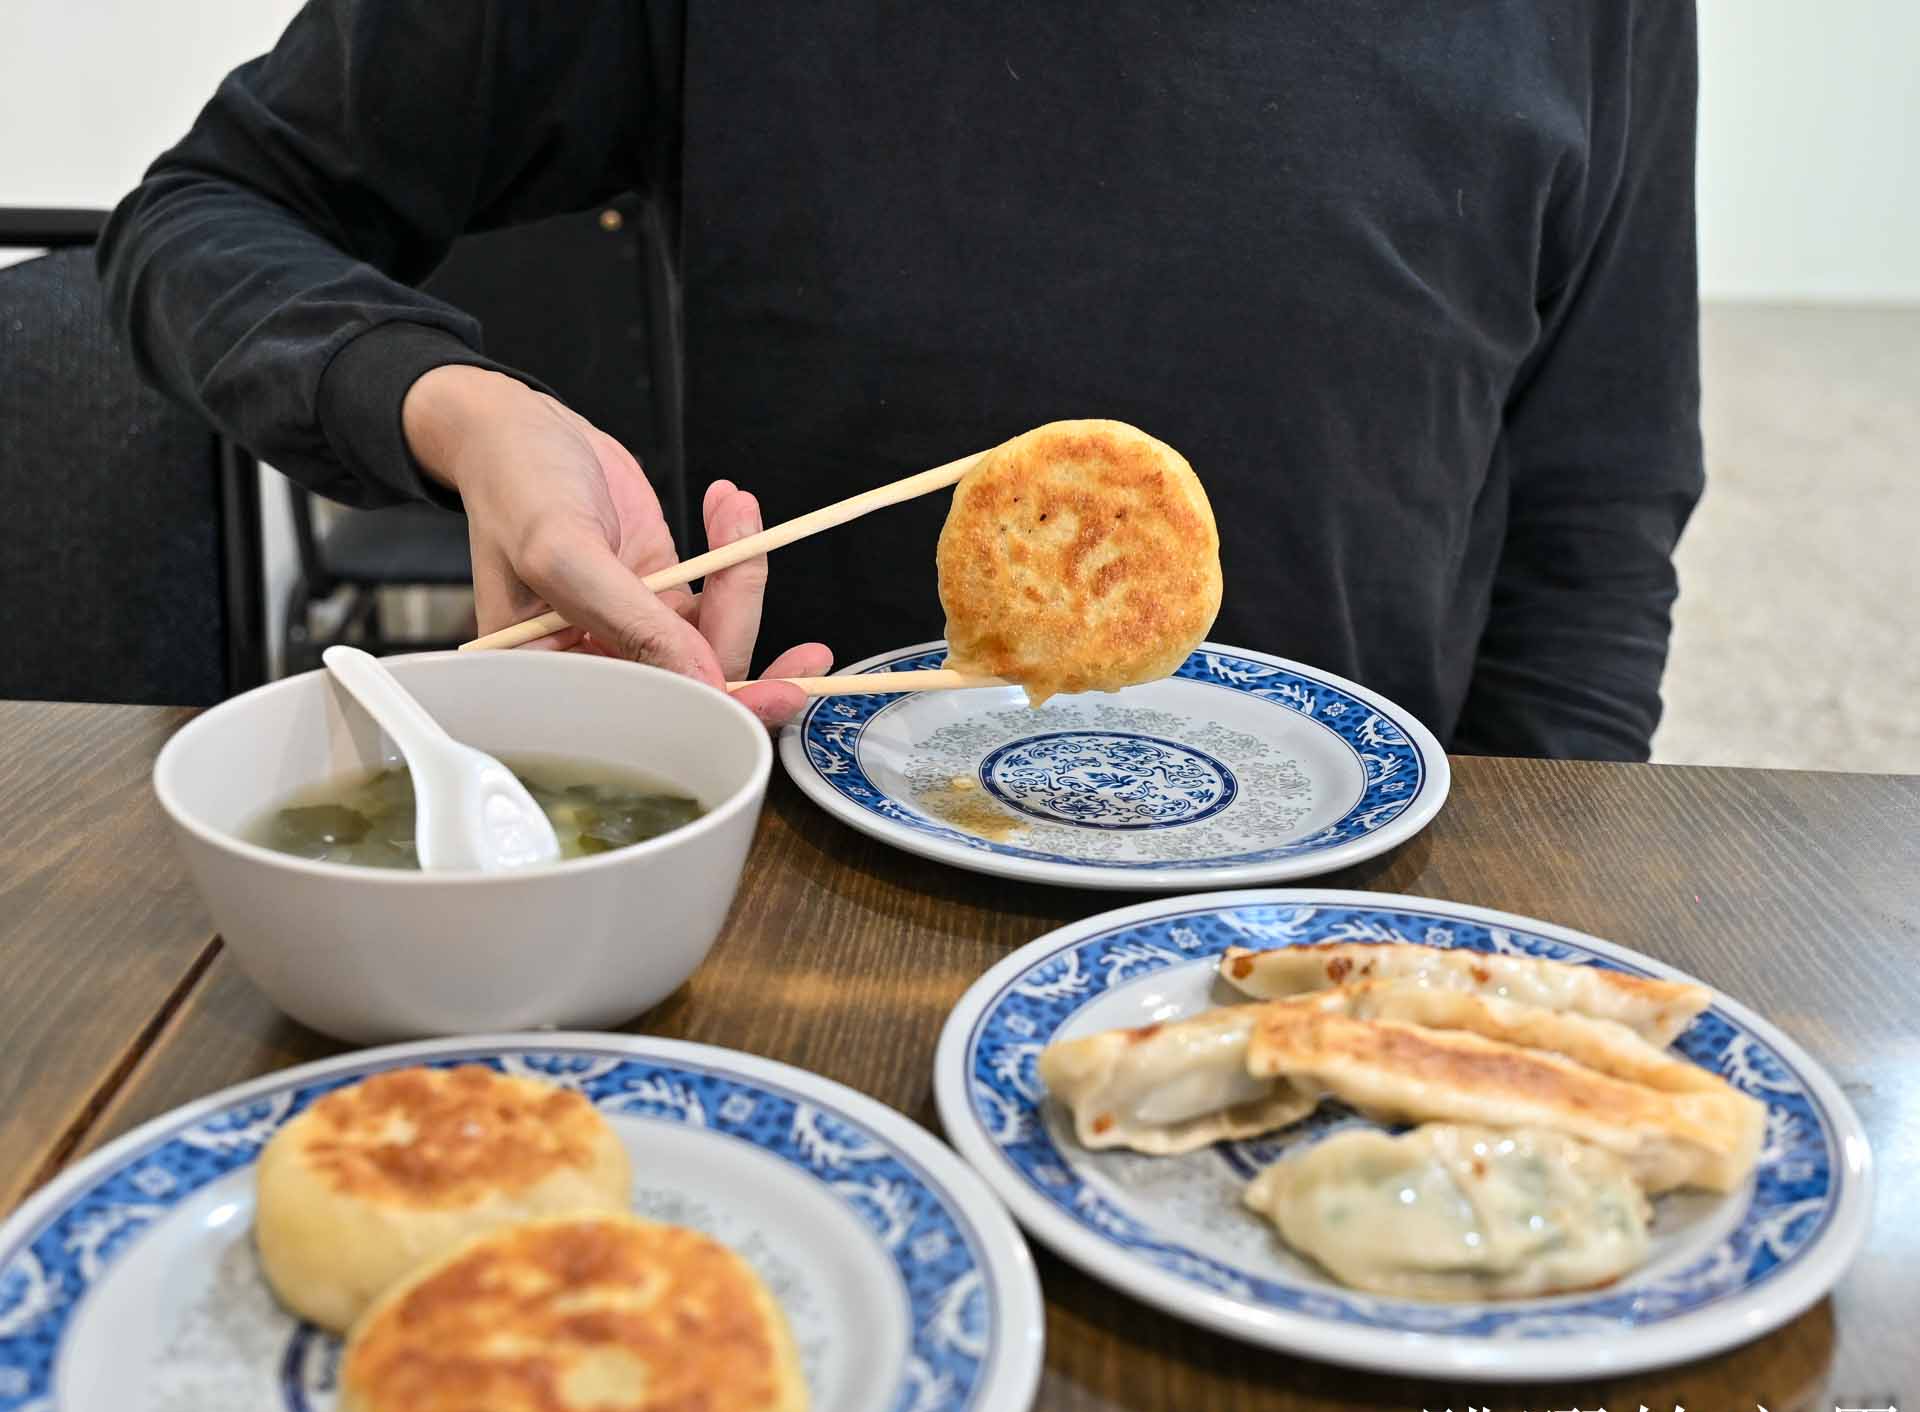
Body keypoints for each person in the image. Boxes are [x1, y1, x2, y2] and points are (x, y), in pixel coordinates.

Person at [100, 2, 1702, 756]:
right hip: (809, 903)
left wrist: (1521, 903)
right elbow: (203, 219)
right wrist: (462, 411)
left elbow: (1595, 503)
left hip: (1343, 921)